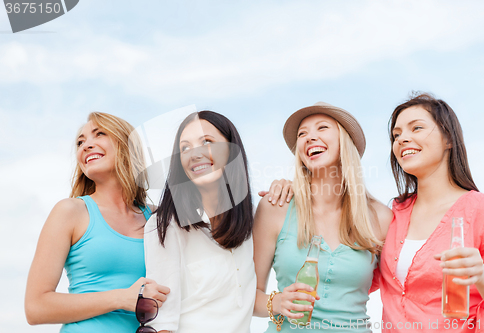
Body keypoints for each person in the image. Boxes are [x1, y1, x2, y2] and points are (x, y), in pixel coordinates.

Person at [144, 111, 290, 332]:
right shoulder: (165, 226)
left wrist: (291, 187)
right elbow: (162, 322)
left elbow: (248, 300)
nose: (195, 154)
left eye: (207, 142)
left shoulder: (251, 219)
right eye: (185, 148)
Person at [253, 102, 393, 332]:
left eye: (322, 128)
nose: (310, 137)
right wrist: (277, 302)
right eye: (302, 134)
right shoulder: (276, 207)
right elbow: (246, 295)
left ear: (345, 142)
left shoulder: (380, 218)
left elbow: (402, 290)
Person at [25, 112, 169, 332]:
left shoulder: (158, 218)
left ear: (127, 145)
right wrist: (122, 298)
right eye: (80, 142)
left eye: (99, 134)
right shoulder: (70, 211)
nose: (85, 146)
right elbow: (35, 308)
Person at [379, 93, 484, 332]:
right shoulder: (392, 214)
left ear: (448, 139)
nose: (403, 139)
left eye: (417, 128)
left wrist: (481, 275)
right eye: (397, 134)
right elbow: (353, 275)